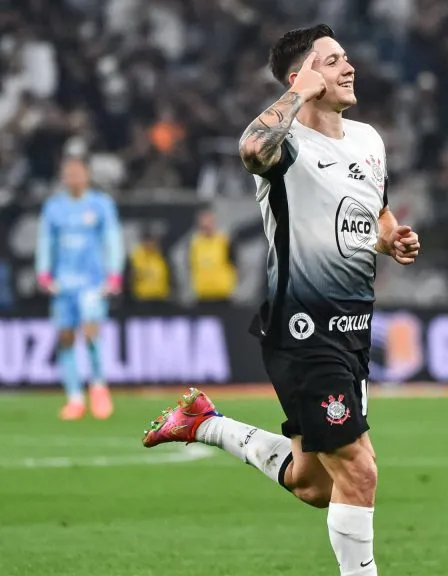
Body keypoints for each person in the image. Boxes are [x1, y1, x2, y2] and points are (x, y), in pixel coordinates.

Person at [141, 24, 421, 575]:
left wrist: (391, 238)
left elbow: (374, 209)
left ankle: (204, 423)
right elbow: (250, 147)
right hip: (304, 329)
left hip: (354, 330)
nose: (348, 67)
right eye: (332, 61)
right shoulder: (285, 145)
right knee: (359, 471)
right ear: (304, 77)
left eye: (346, 57)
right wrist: (298, 93)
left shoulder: (369, 140)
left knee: (315, 484)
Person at [35, 156, 124, 420]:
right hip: (63, 283)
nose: (72, 177)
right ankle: (74, 397)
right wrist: (43, 273)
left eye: (77, 172)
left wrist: (114, 274)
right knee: (65, 338)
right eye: (68, 172)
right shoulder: (54, 207)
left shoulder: (100, 204)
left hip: (92, 283)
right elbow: (45, 240)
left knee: (90, 333)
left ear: (86, 174)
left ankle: (98, 387)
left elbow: (112, 238)